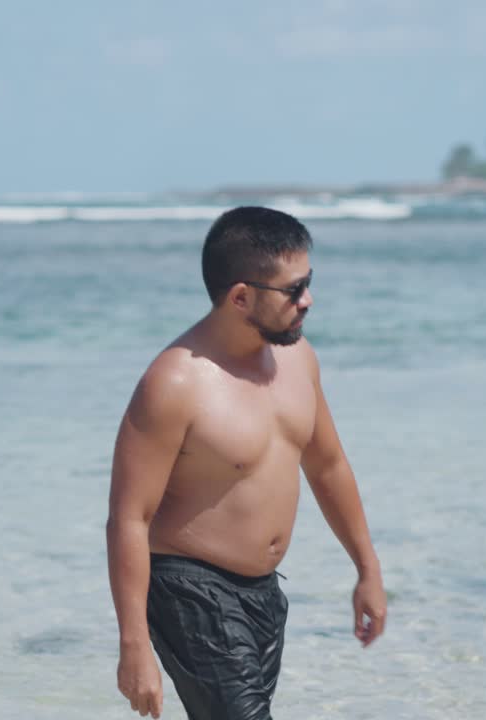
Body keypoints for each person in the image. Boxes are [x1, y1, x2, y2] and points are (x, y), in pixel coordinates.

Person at [106, 206, 387, 720]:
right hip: (188, 590)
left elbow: (328, 466)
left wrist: (367, 569)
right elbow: (129, 518)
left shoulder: (299, 359)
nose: (308, 300)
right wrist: (134, 646)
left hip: (263, 595)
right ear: (241, 297)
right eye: (293, 289)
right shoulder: (175, 384)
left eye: (309, 282)